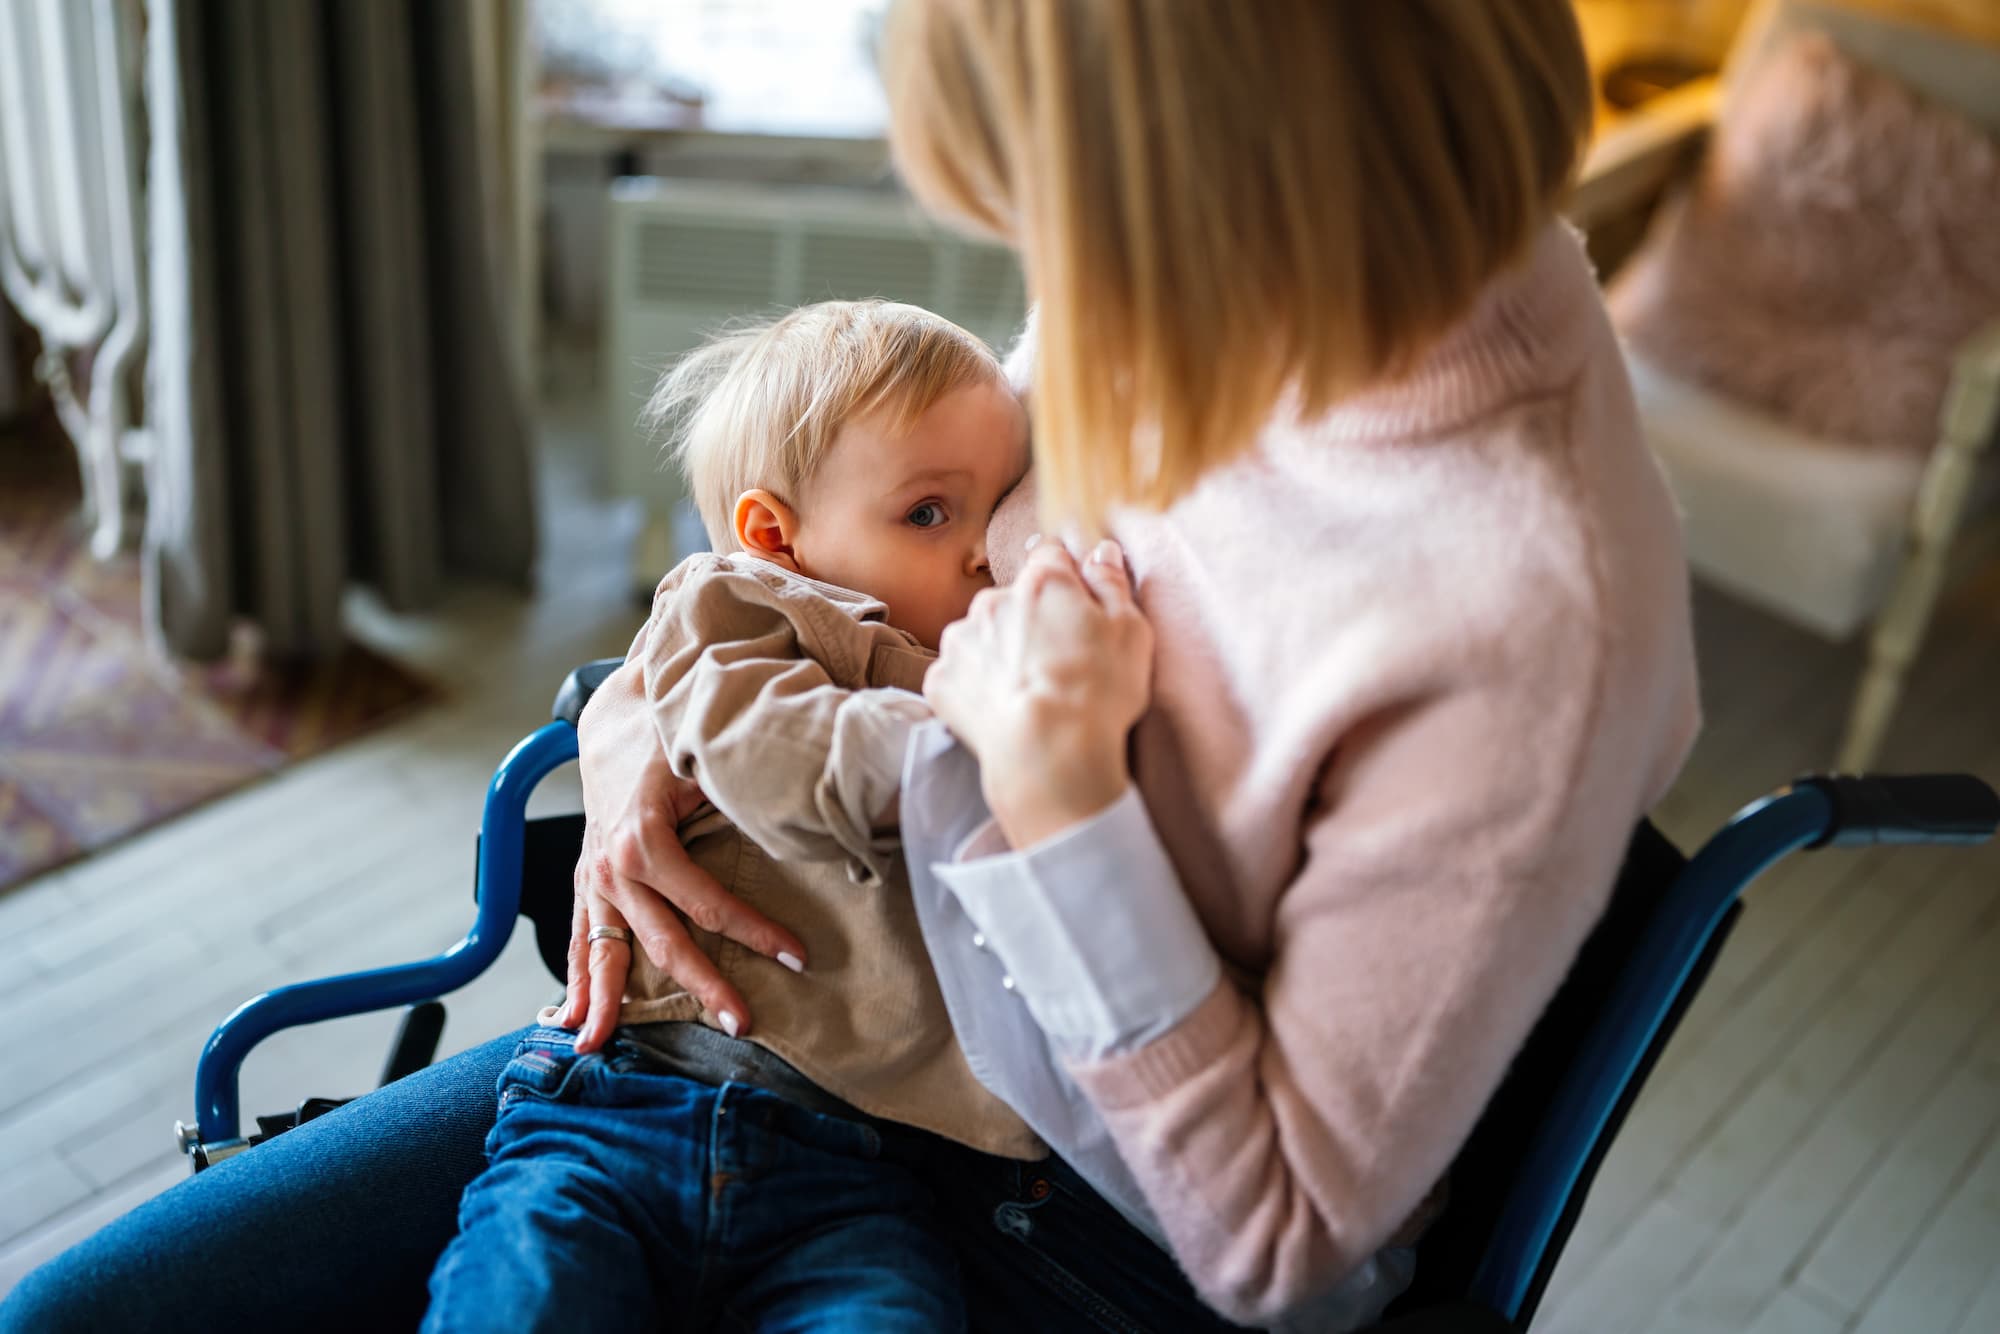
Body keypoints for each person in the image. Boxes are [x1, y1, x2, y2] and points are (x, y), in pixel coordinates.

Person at [0, 4, 1699, 1332]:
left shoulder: (1521, 614)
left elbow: (1273, 1242)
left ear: (1226, 175)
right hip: (752, 1034)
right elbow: (823, 544)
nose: (1058, 284)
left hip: (1052, 1222)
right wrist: (652, 714)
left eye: (1050, 207)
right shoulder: (1227, 300)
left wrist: (1061, 806)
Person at [422, 299, 1041, 1333]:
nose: (983, 553)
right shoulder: (739, 609)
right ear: (774, 535)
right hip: (623, 1108)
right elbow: (771, 758)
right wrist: (976, 744)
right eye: (930, 512)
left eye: (1000, 506)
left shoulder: (973, 659)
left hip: (858, 1174)